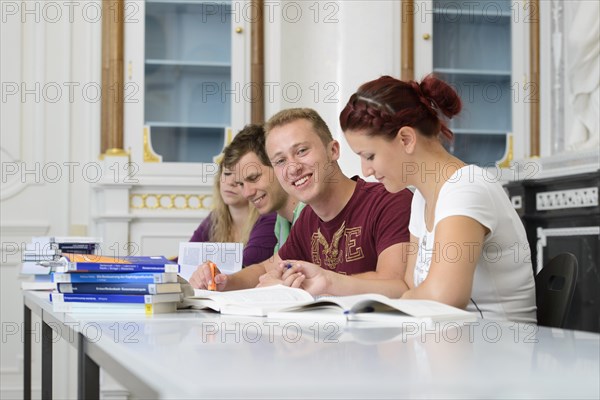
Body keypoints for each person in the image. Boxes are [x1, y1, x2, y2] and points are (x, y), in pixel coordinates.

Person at [289, 75, 536, 323]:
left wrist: (381, 308)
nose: (366, 171)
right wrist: (328, 281)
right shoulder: (421, 199)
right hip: (452, 345)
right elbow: (406, 287)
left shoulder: (466, 189)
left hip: (497, 352)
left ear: (406, 139)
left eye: (370, 156)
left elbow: (444, 298)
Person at [193, 108, 414, 297]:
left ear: (333, 150)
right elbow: (266, 267)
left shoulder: (389, 201)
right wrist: (224, 281)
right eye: (280, 161)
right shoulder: (308, 218)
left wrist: (313, 285)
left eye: (301, 151)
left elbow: (395, 286)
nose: (292, 168)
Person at [188, 124, 303, 289]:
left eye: (254, 178)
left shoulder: (300, 214)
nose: (247, 192)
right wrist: (224, 281)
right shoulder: (281, 221)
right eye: (240, 183)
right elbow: (267, 268)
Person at [185, 154, 277, 266]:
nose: (230, 182)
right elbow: (187, 259)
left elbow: (244, 267)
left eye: (240, 177)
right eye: (227, 173)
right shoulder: (215, 217)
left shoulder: (269, 218)